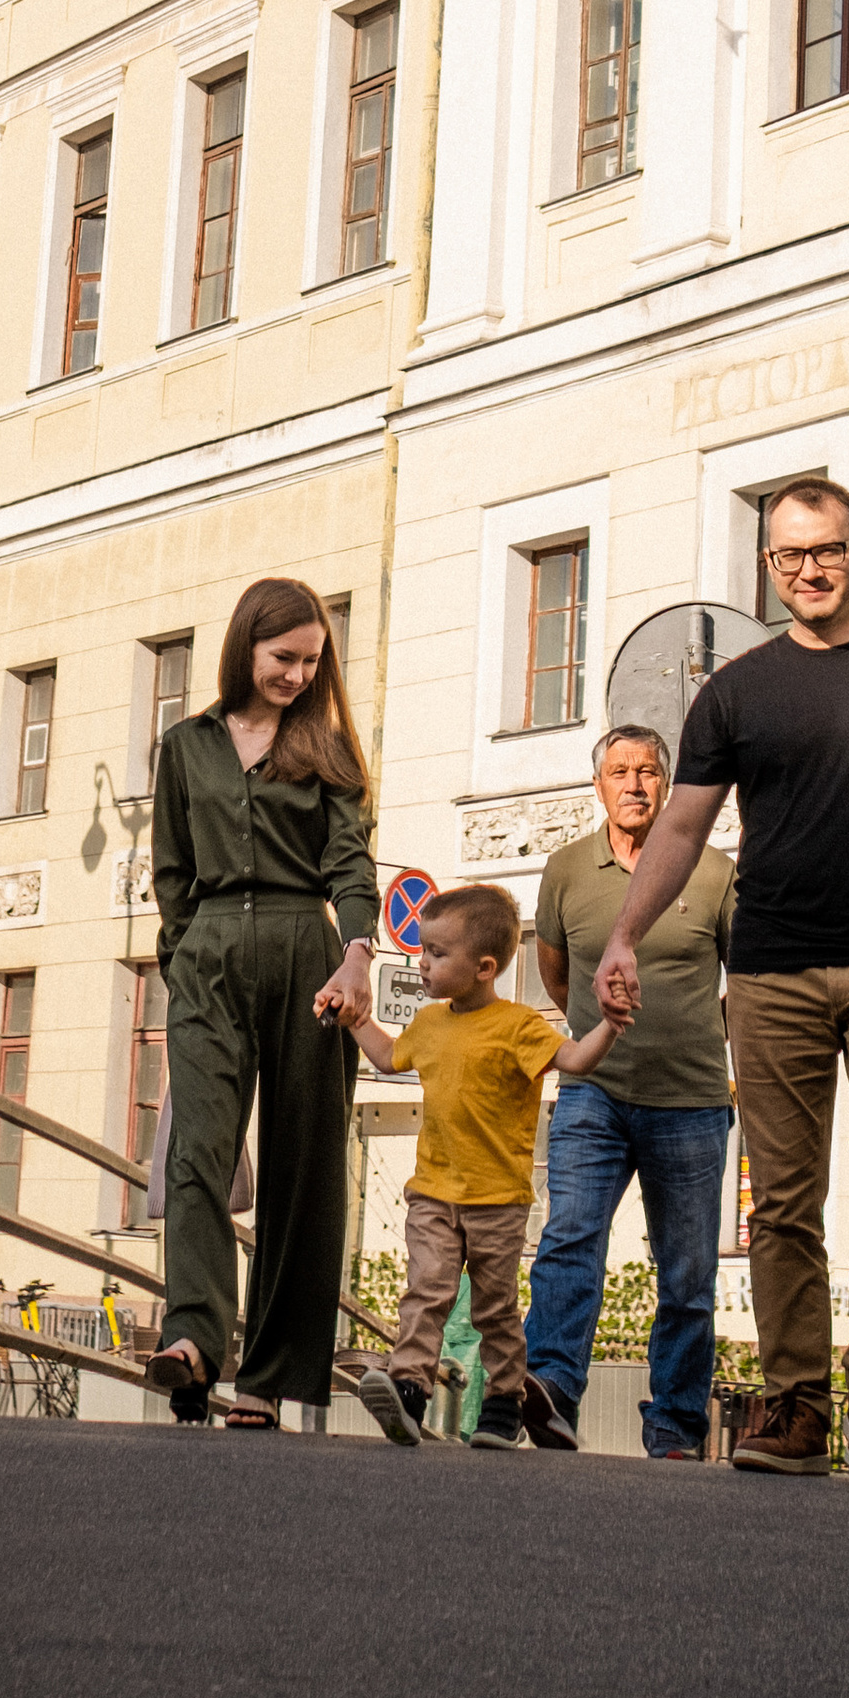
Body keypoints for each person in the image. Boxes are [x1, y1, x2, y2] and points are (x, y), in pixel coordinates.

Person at [595, 482, 849, 1480]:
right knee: (782, 1195)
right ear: (769, 568)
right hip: (772, 965)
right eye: (790, 556)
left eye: (826, 550)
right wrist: (624, 936)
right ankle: (792, 1402)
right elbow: (683, 826)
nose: (809, 569)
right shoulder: (736, 692)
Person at [145, 577, 378, 1432]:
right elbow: (172, 869)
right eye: (284, 657)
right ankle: (194, 1340)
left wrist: (357, 955)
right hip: (206, 957)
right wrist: (184, 958)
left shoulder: (328, 750)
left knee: (301, 1171)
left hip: (307, 955)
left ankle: (266, 1381)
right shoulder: (186, 746)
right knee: (196, 1152)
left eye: (312, 662)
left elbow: (350, 864)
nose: (297, 675)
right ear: (246, 645)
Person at [520, 724, 735, 1459]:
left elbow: (745, 978)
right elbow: (558, 976)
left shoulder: (713, 872)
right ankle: (551, 1389)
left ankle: (674, 1426)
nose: (635, 784)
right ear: (598, 785)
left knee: (688, 1275)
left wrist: (699, 1032)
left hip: (692, 1101)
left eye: (648, 771)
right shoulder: (565, 870)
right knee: (569, 1240)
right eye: (620, 771)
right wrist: (598, 1032)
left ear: (667, 786)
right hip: (594, 1094)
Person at [348, 881, 615, 1449]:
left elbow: (576, 1060)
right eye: (423, 950)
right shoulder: (428, 1024)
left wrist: (610, 1025)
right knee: (426, 1291)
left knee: (495, 1309)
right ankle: (408, 1389)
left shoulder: (519, 1026)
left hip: (497, 1199)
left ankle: (503, 1400)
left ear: (484, 968)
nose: (423, 964)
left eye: (437, 953)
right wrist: (354, 1018)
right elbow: (387, 1056)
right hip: (433, 1192)